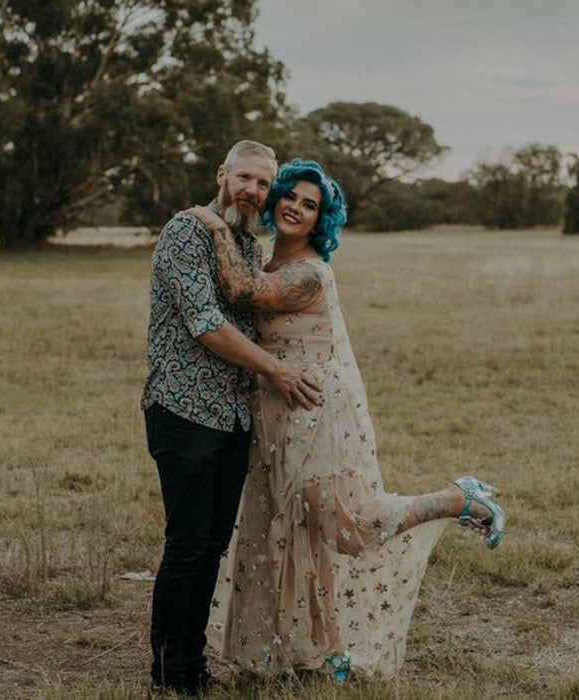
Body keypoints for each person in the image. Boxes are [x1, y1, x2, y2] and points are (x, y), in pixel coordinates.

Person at [184, 159, 506, 681]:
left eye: (310, 206)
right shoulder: (265, 259)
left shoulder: (308, 273)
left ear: (320, 221)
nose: (294, 207)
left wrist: (214, 220)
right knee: (287, 533)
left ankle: (458, 499)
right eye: (290, 196)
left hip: (314, 411)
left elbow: (243, 294)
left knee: (346, 528)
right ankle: (313, 651)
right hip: (273, 408)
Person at [141, 142, 323, 696]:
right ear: (222, 174)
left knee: (213, 547)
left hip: (233, 420)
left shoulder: (244, 243)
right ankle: (171, 675)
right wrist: (277, 372)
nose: (253, 191)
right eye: (246, 177)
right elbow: (206, 323)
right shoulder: (185, 232)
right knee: (189, 545)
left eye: (264, 184)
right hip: (185, 411)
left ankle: (192, 666)